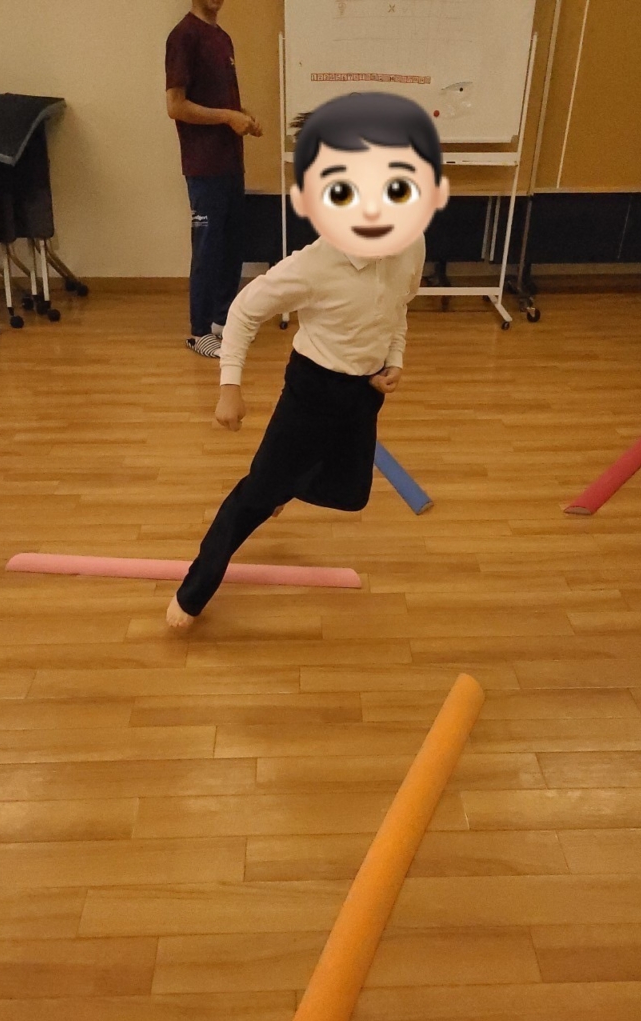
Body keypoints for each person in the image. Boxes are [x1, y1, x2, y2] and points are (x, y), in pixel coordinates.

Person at [166, 91, 449, 629]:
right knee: (254, 495)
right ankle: (193, 592)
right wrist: (230, 387)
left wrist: (393, 359)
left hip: (363, 391)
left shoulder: (411, 247)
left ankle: (284, 483)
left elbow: (399, 307)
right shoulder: (312, 266)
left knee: (350, 494)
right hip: (312, 391)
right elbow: (244, 311)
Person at [165, 0, 263, 358]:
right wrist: (226, 117)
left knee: (231, 244)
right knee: (207, 247)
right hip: (204, 166)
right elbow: (175, 105)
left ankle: (222, 321)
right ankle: (200, 331)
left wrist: (242, 117)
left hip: (230, 162)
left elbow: (220, 101)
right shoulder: (183, 36)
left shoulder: (221, 37)